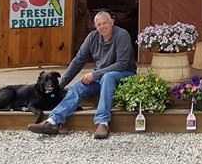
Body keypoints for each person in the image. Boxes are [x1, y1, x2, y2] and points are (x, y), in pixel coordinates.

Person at [28, 11, 135, 139]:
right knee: (77, 87)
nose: (102, 26)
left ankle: (103, 123)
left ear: (112, 22)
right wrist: (62, 84)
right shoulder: (92, 37)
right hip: (101, 77)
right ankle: (52, 122)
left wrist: (95, 74)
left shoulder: (122, 35)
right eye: (99, 24)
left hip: (124, 75)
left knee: (108, 77)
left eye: (105, 23)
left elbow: (122, 64)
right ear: (95, 26)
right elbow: (78, 60)